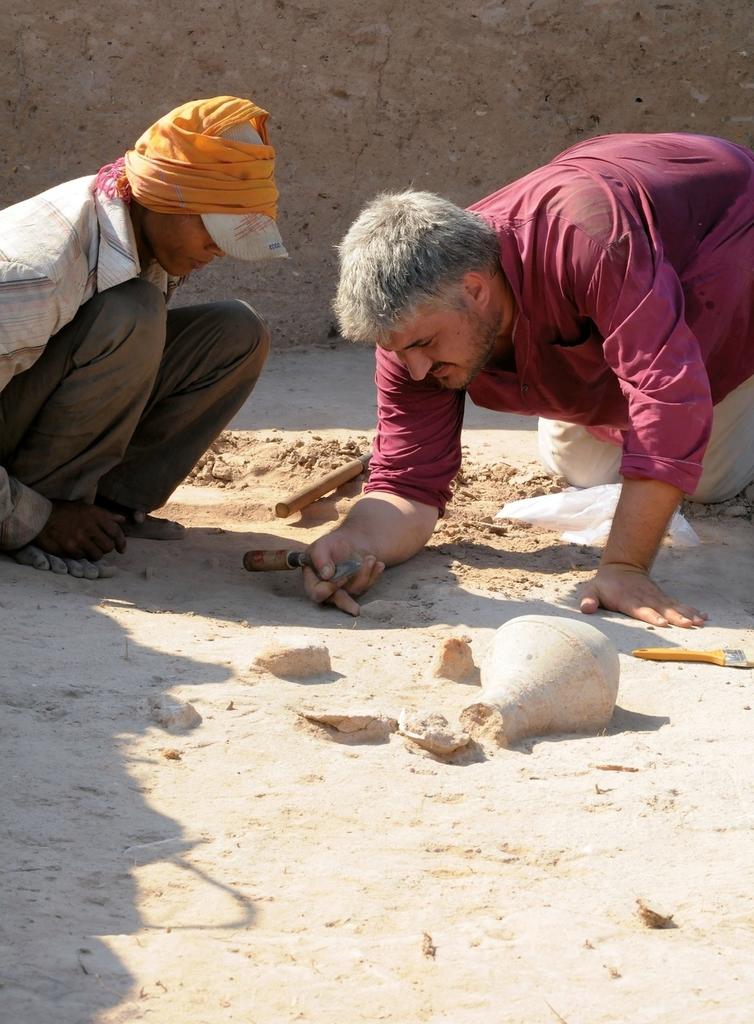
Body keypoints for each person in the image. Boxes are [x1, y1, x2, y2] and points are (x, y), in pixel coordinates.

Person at [303, 133, 754, 628]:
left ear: (474, 290)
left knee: (707, 478)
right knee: (582, 466)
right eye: (399, 352)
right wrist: (357, 540)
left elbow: (667, 392)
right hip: (627, 292)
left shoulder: (587, 236)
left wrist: (625, 566)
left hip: (725, 245)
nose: (416, 372)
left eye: (423, 346)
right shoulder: (415, 322)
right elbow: (409, 482)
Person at [0, 95, 286, 578]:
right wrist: (35, 517)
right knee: (130, 313)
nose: (219, 250)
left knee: (236, 332)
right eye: (214, 229)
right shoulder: (38, 273)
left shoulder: (139, 226)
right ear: (165, 196)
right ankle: (50, 506)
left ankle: (106, 508)